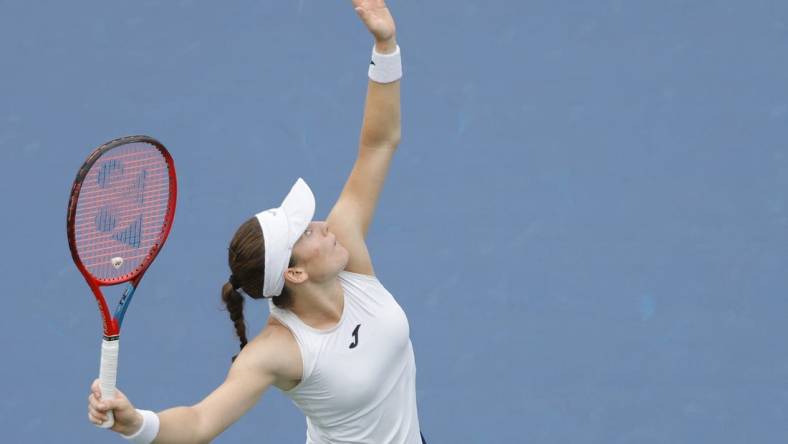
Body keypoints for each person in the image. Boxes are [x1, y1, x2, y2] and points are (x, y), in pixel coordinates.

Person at [87, 1, 426, 443]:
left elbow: (378, 144)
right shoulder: (278, 351)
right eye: (307, 232)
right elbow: (200, 423)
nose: (323, 225)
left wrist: (385, 46)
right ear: (294, 272)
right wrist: (136, 423)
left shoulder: (347, 251)